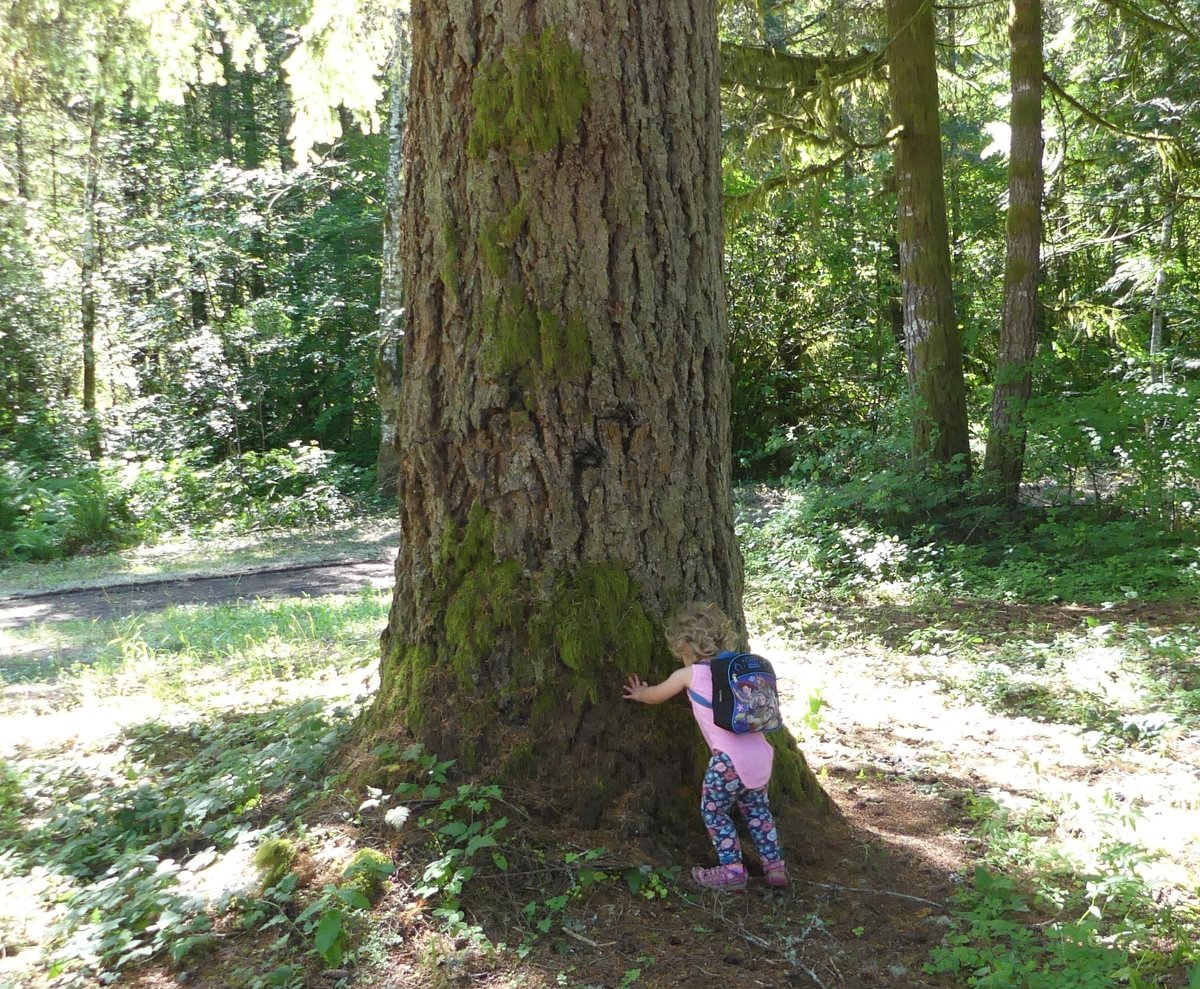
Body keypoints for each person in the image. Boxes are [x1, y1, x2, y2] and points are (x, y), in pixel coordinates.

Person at [622, 602, 787, 891]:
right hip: (761, 755)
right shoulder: (736, 670)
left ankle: (732, 871)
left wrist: (640, 692)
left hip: (728, 763)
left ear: (686, 646)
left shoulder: (691, 674)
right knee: (758, 812)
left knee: (714, 811)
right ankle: (775, 868)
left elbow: (656, 696)